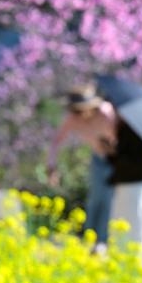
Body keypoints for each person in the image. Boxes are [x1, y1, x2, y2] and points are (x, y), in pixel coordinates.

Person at [47, 84, 117, 250]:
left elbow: (122, 135)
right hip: (99, 159)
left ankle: (102, 242)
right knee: (95, 199)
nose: (80, 114)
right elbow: (56, 142)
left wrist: (112, 146)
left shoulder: (106, 112)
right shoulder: (72, 119)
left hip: (116, 159)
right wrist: (51, 166)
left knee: (108, 200)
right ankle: (89, 238)